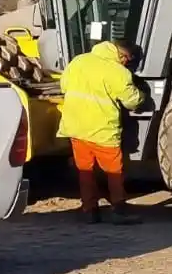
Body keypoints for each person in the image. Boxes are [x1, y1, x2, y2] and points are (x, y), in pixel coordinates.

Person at [58, 39, 145, 225]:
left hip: (76, 128)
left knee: (85, 171)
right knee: (114, 172)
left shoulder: (78, 61)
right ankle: (119, 210)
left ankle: (90, 211)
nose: (127, 63)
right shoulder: (118, 72)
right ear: (121, 55)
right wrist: (143, 95)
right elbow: (132, 101)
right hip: (102, 131)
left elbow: (64, 86)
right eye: (127, 59)